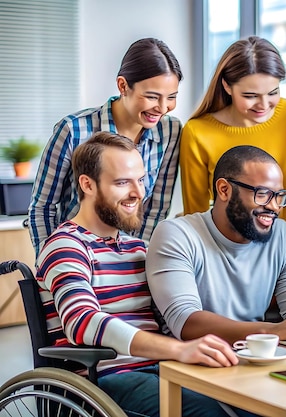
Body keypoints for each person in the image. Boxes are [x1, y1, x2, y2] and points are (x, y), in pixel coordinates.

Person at [36, 132, 247, 417]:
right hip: (104, 379)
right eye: (122, 182)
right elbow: (82, 321)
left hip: (160, 367)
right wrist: (178, 350)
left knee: (249, 401)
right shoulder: (66, 245)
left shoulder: (140, 249)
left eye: (141, 179)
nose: (138, 193)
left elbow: (171, 315)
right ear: (87, 184)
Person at [146, 145, 286, 344]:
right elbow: (185, 322)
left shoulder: (282, 235)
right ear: (224, 190)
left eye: (279, 196)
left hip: (258, 357)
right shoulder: (176, 234)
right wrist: (273, 331)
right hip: (192, 363)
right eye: (262, 194)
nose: (274, 207)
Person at [28, 37, 182, 258]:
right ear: (122, 86)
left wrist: (138, 262)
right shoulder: (73, 130)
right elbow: (42, 207)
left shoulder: (170, 131)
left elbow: (155, 209)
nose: (163, 107)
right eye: (151, 96)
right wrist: (50, 262)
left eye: (172, 97)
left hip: (129, 259)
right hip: (73, 255)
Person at [180, 36, 286, 260]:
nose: (264, 105)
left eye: (273, 92)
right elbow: (196, 215)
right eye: (250, 96)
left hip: (281, 254)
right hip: (223, 255)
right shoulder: (197, 132)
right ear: (226, 86)